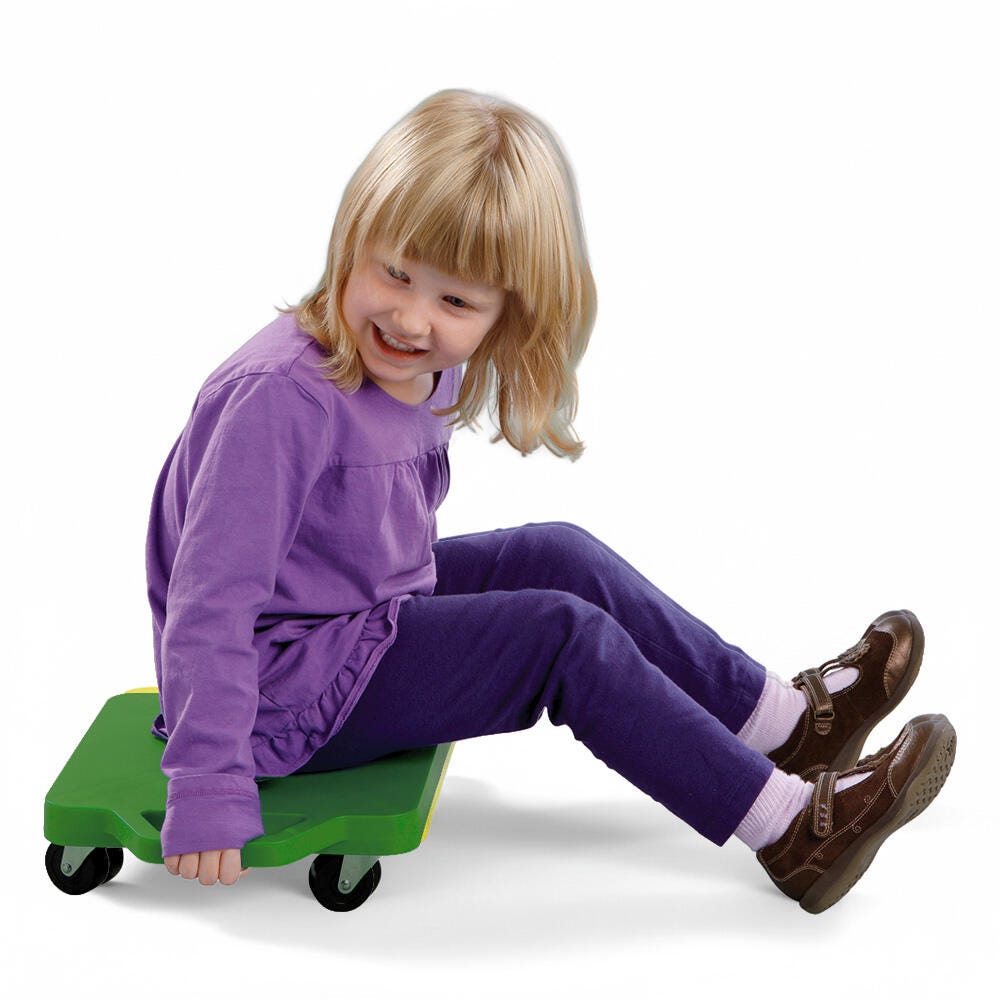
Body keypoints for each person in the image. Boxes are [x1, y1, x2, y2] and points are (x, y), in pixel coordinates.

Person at [146, 89, 956, 913]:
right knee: (557, 638)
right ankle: (791, 831)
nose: (411, 318)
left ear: (503, 315)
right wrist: (207, 782)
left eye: (455, 301)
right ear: (354, 236)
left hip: (352, 616)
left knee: (556, 554)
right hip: (274, 694)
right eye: (395, 272)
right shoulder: (282, 400)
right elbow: (210, 602)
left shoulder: (414, 365)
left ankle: (786, 727)